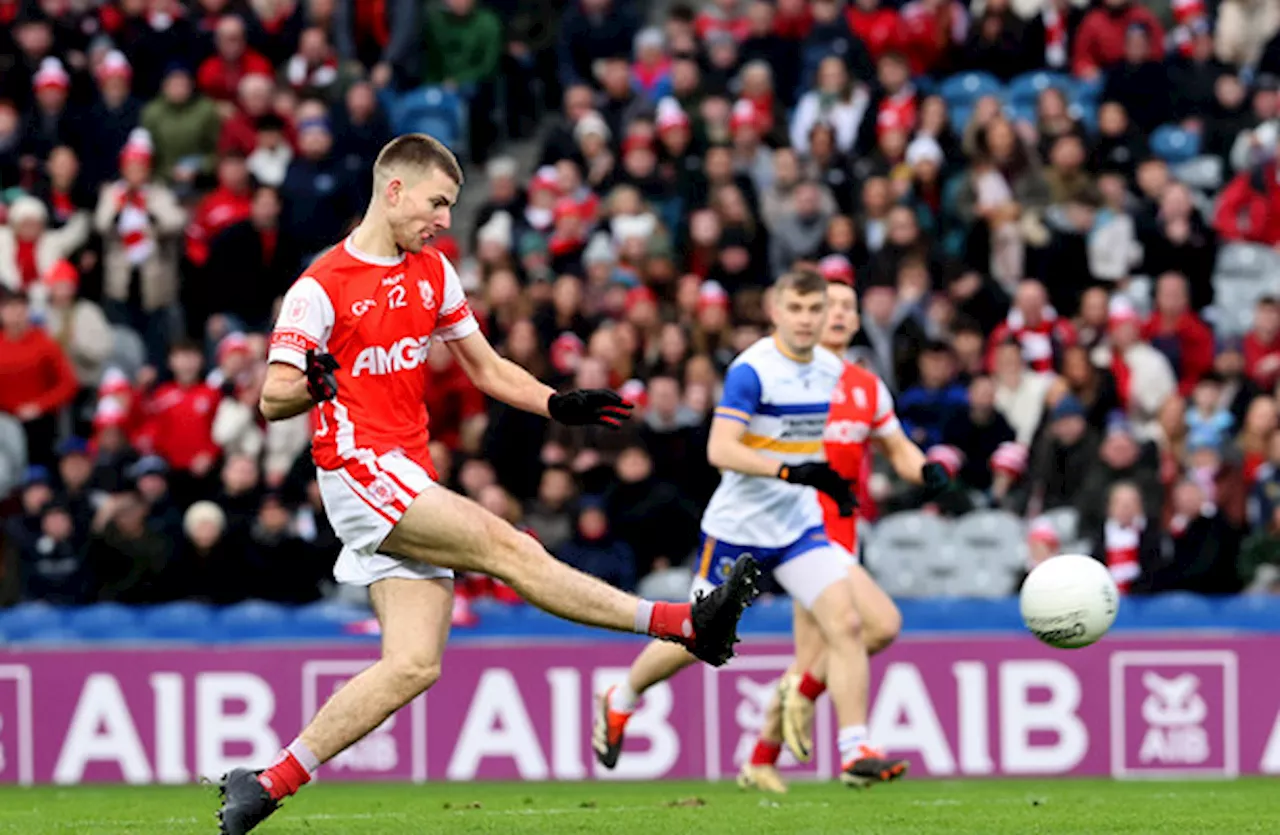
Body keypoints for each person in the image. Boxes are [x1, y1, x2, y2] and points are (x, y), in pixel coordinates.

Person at [215, 134, 760, 835]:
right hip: (359, 471)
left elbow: (489, 368)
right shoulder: (321, 286)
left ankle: (266, 781)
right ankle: (684, 623)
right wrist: (312, 385)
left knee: (413, 665)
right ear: (394, 190)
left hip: (406, 473)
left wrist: (557, 402)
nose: (444, 219)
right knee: (507, 545)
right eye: (438, 203)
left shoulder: (434, 272)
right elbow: (273, 395)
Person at [592, 269, 905, 789]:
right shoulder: (751, 371)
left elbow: (809, 438)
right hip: (739, 528)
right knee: (699, 636)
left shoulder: (832, 370)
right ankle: (621, 696)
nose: (807, 320)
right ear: (775, 311)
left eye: (815, 310)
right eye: (797, 309)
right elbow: (721, 450)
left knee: (847, 625)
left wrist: (819, 476)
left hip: (799, 525)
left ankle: (855, 751)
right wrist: (790, 470)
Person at [737, 275, 952, 793]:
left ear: (856, 321)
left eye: (844, 307)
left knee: (813, 657)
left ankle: (762, 758)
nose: (834, 314)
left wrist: (925, 471)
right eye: (825, 305)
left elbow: (897, 447)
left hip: (843, 532)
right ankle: (850, 744)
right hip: (797, 532)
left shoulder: (865, 386)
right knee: (878, 624)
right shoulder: (782, 376)